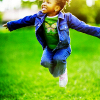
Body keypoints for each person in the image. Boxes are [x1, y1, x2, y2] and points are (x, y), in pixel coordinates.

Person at [3, 0, 100, 87]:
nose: (44, 3)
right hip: (49, 48)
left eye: (48, 2)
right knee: (45, 62)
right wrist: (11, 24)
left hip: (63, 47)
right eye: (44, 1)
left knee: (59, 58)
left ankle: (63, 72)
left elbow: (84, 27)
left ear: (57, 8)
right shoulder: (39, 16)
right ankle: (59, 70)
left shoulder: (67, 18)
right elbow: (25, 20)